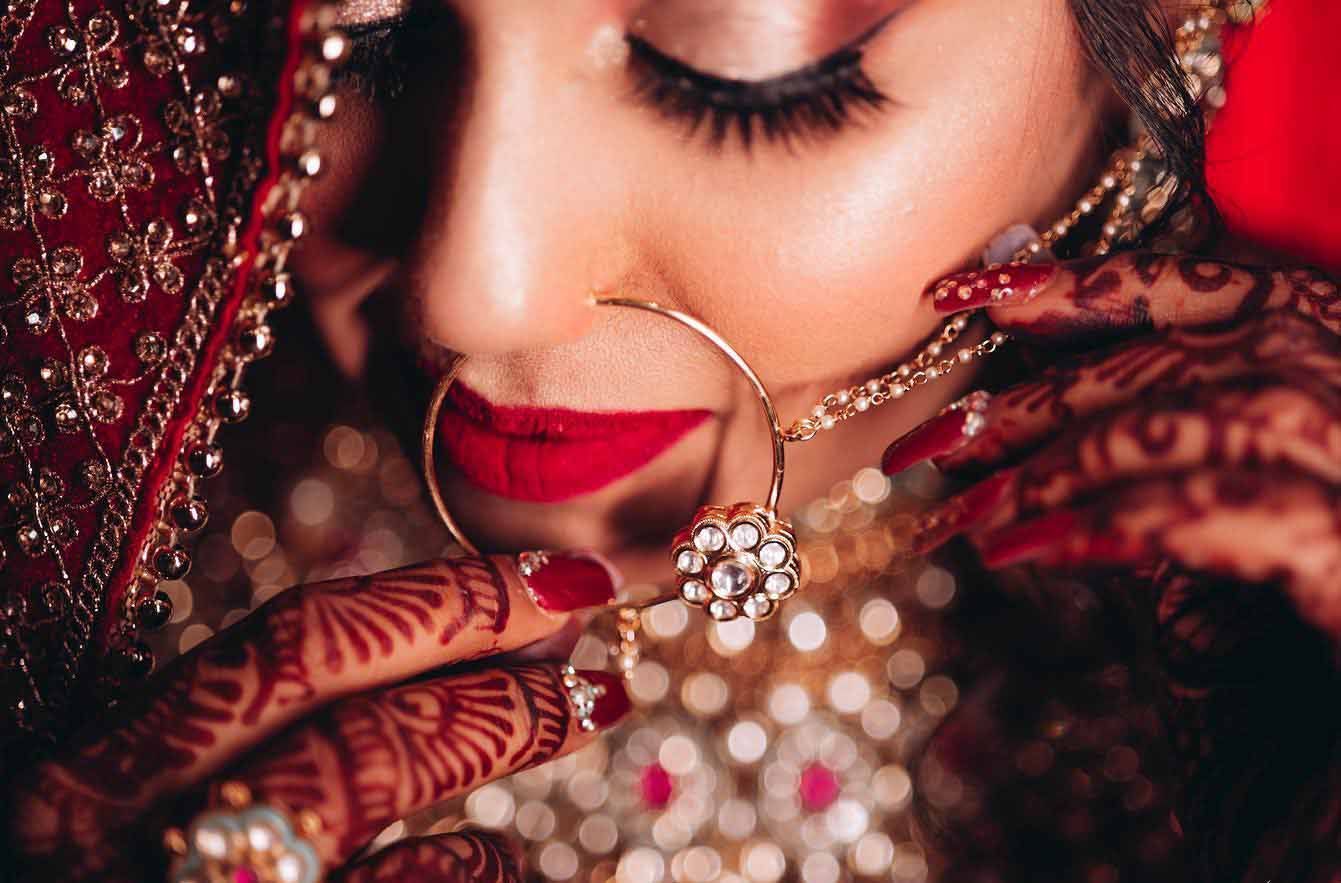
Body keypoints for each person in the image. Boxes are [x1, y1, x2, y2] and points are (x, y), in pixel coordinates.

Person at [2, 0, 1339, 880]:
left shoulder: (1268, 663)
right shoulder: (63, 524)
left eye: (735, 84)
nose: (472, 289)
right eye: (373, 39)